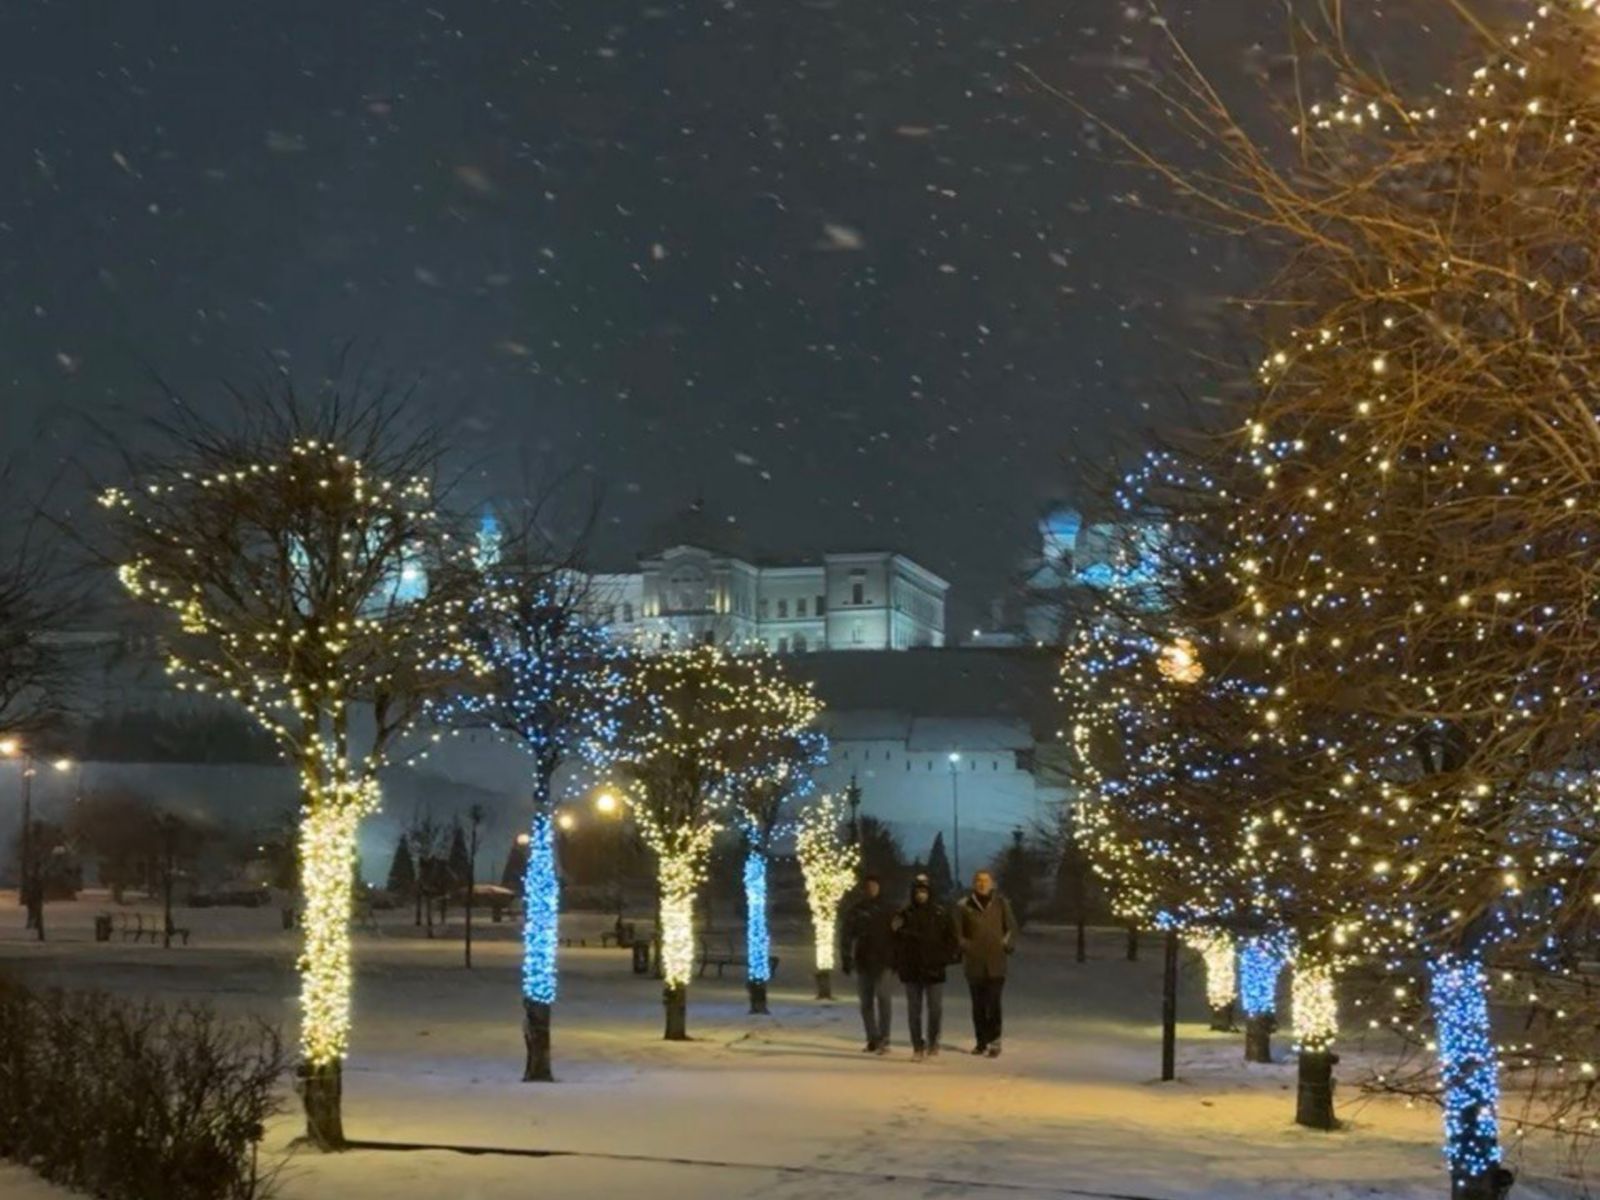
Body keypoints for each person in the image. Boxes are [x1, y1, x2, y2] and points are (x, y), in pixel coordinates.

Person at [891, 873, 959, 1062]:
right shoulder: (904, 914)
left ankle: (933, 1040)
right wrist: (898, 961)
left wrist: (944, 958)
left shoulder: (940, 913)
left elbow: (952, 939)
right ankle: (917, 1046)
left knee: (935, 1009)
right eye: (918, 891)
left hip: (934, 968)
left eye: (924, 891)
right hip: (911, 969)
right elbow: (895, 941)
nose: (921, 895)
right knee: (914, 1010)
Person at [955, 869, 1017, 1058]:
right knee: (978, 1005)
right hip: (974, 965)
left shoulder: (1000, 904)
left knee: (994, 1003)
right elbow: (957, 932)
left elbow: (1012, 928)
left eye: (985, 881)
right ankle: (981, 1041)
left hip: (996, 963)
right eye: (978, 881)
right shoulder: (964, 906)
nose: (982, 884)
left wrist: (1006, 944)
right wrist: (966, 946)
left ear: (992, 884)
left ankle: (995, 1040)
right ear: (974, 884)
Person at [841, 872, 896, 1053]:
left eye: (874, 886)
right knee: (866, 1002)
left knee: (883, 998)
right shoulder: (857, 910)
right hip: (863, 960)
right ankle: (872, 1037)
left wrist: (897, 958)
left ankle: (884, 1037)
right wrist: (846, 957)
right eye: (868, 886)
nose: (871, 889)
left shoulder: (889, 909)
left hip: (884, 960)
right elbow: (847, 934)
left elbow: (898, 935)